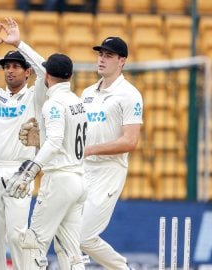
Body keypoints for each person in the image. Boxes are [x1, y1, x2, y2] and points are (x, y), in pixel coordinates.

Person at [2, 17, 87, 270]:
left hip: (59, 179)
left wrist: (31, 169)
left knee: (33, 243)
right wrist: (20, 43)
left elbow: (56, 141)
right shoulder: (77, 101)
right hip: (79, 179)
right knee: (70, 250)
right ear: (70, 75)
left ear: (46, 75)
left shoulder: (53, 103)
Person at [0, 20, 42, 269]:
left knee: (17, 235)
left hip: (20, 170)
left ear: (28, 72)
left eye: (17, 66)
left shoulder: (34, 95)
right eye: (7, 66)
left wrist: (19, 44)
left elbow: (47, 70)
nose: (10, 71)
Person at [79, 37, 143, 269]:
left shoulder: (129, 94)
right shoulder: (87, 92)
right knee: (67, 232)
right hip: (83, 168)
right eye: (100, 54)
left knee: (84, 236)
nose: (102, 59)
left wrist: (91, 150)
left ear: (122, 61)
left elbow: (130, 141)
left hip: (108, 171)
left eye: (108, 55)